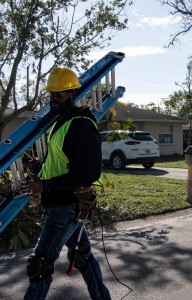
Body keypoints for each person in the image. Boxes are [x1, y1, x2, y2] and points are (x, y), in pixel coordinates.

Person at [20, 67, 111, 299]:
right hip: (57, 202)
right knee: (82, 256)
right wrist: (40, 167)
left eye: (59, 94)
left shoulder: (80, 123)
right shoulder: (61, 122)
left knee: (40, 265)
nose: (54, 99)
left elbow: (91, 171)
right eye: (51, 94)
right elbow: (63, 161)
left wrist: (45, 185)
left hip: (66, 204)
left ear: (72, 93)